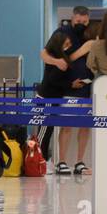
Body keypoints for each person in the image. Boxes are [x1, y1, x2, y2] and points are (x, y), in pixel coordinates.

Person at [38, 28, 90, 175]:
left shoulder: (60, 57)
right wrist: (70, 85)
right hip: (47, 98)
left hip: (54, 98)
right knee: (44, 132)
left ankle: (42, 162)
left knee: (48, 131)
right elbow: (53, 80)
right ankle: (39, 161)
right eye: (66, 44)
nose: (68, 46)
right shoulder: (57, 60)